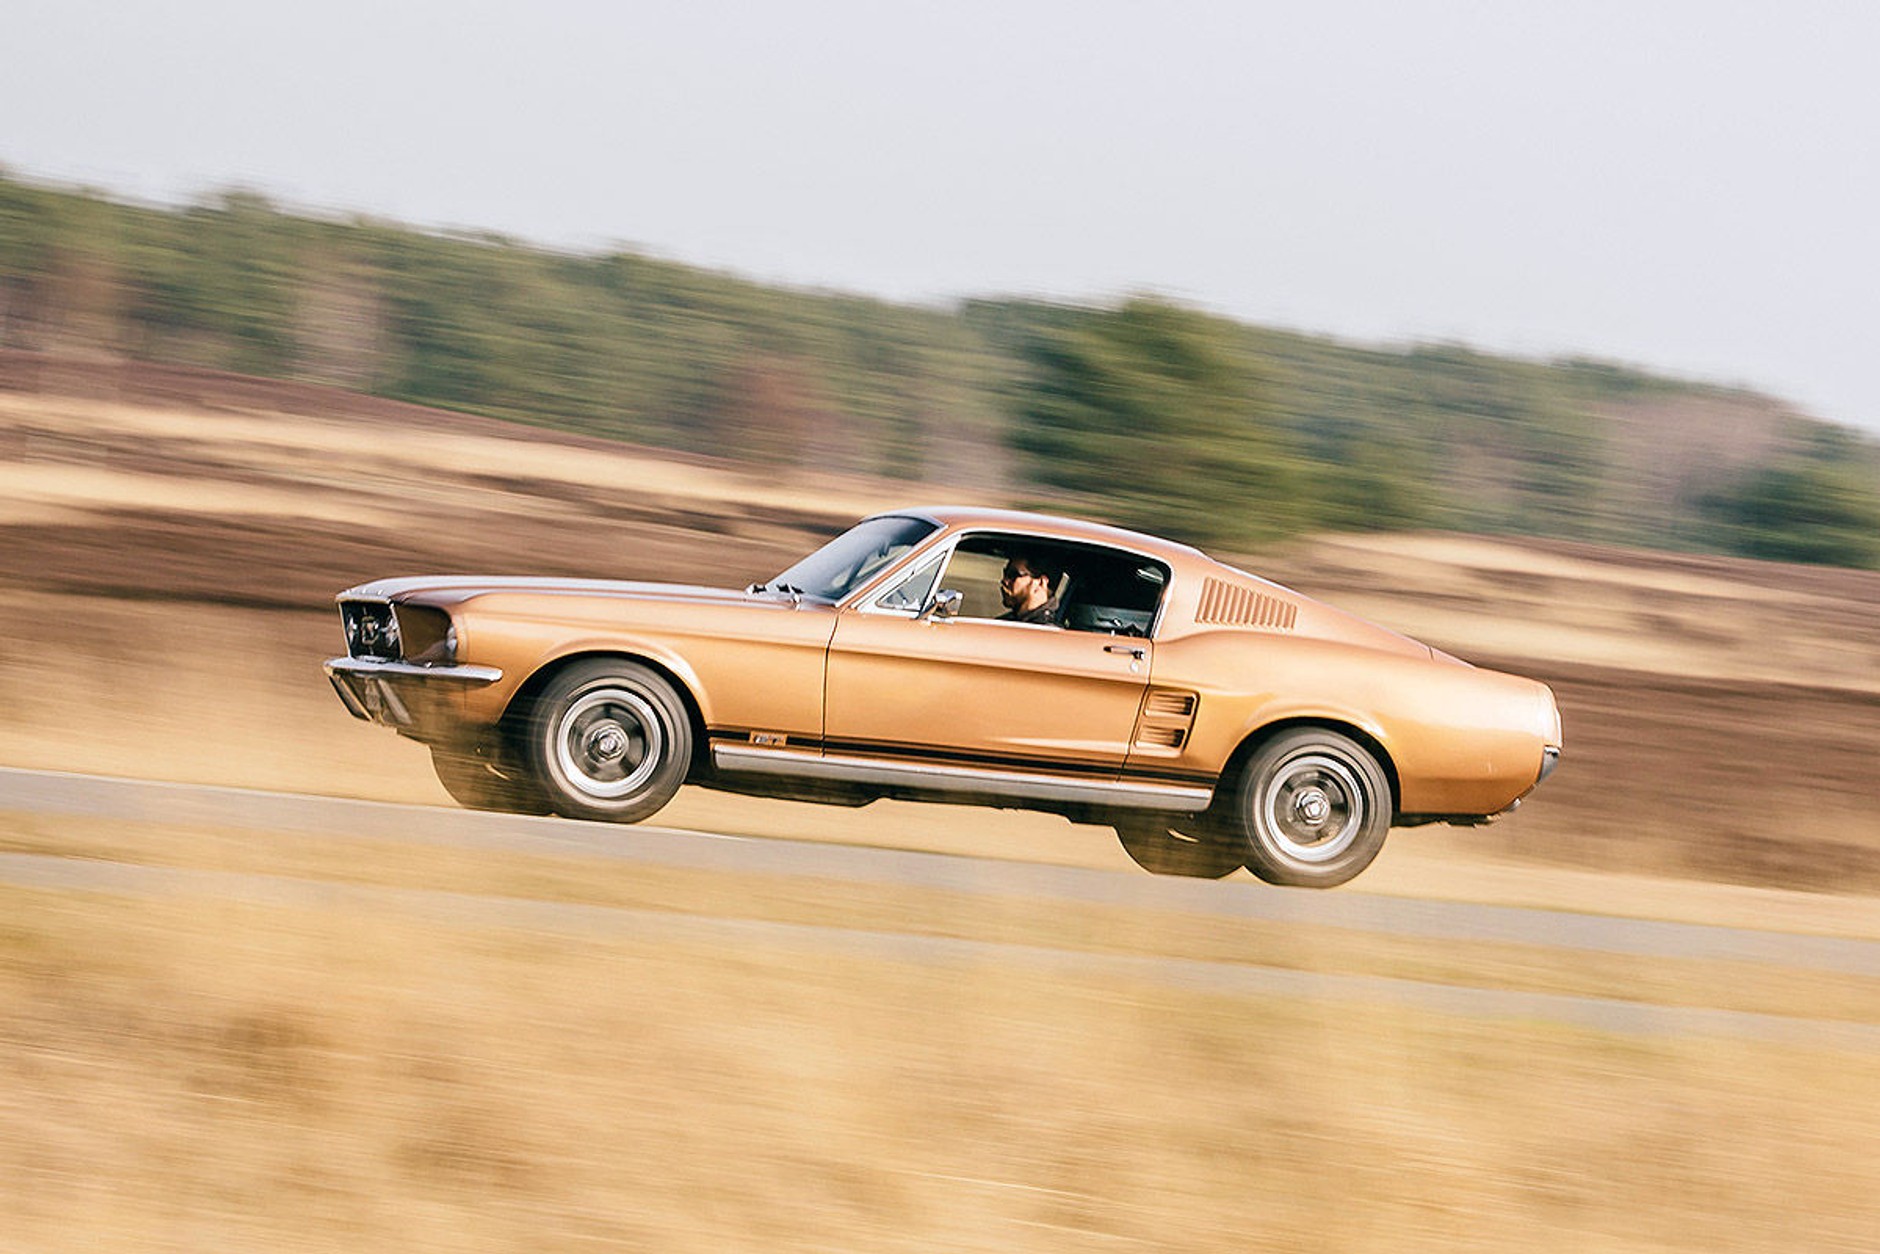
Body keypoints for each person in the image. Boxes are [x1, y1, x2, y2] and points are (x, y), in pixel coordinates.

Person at [998, 552, 1063, 624]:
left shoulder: (1044, 631)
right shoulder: (1006, 621)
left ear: (1041, 582)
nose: (1004, 581)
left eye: (1013, 575)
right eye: (1005, 573)